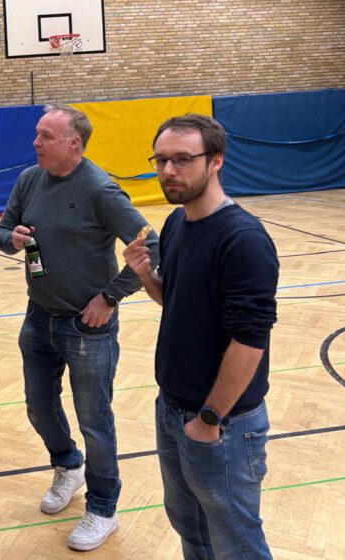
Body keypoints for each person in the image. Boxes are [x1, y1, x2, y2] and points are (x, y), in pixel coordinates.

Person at [0, 103, 158, 551]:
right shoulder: (29, 179)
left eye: (45, 136)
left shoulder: (101, 189)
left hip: (87, 328)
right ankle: (68, 465)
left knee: (94, 421)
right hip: (38, 316)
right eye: (37, 134)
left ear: (74, 145)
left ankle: (103, 508)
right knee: (38, 407)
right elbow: (1, 232)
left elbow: (153, 246)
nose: (35, 142)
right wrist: (13, 239)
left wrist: (110, 297)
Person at [123, 114, 278, 560]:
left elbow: (249, 342)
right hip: (172, 409)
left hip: (222, 424)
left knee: (237, 542)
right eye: (161, 160)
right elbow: (174, 300)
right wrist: (145, 275)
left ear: (215, 161)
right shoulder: (176, 223)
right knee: (191, 529)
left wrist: (209, 419)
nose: (168, 171)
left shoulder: (242, 239)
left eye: (183, 159)